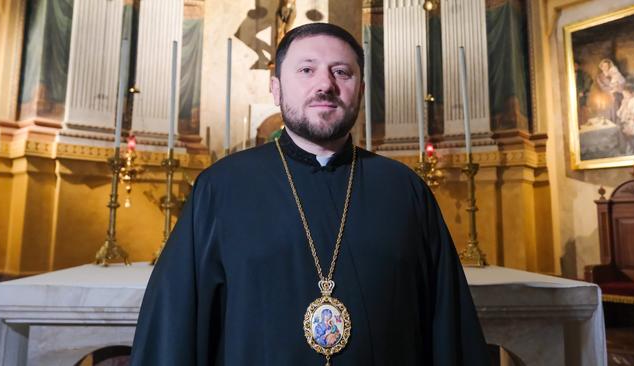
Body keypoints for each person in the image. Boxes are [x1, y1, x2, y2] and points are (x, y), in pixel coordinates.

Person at [130, 23, 490, 366]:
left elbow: (448, 328)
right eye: (306, 70)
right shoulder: (220, 188)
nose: (325, 84)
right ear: (276, 89)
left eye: (342, 72)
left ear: (360, 91)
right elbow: (174, 330)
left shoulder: (405, 190)